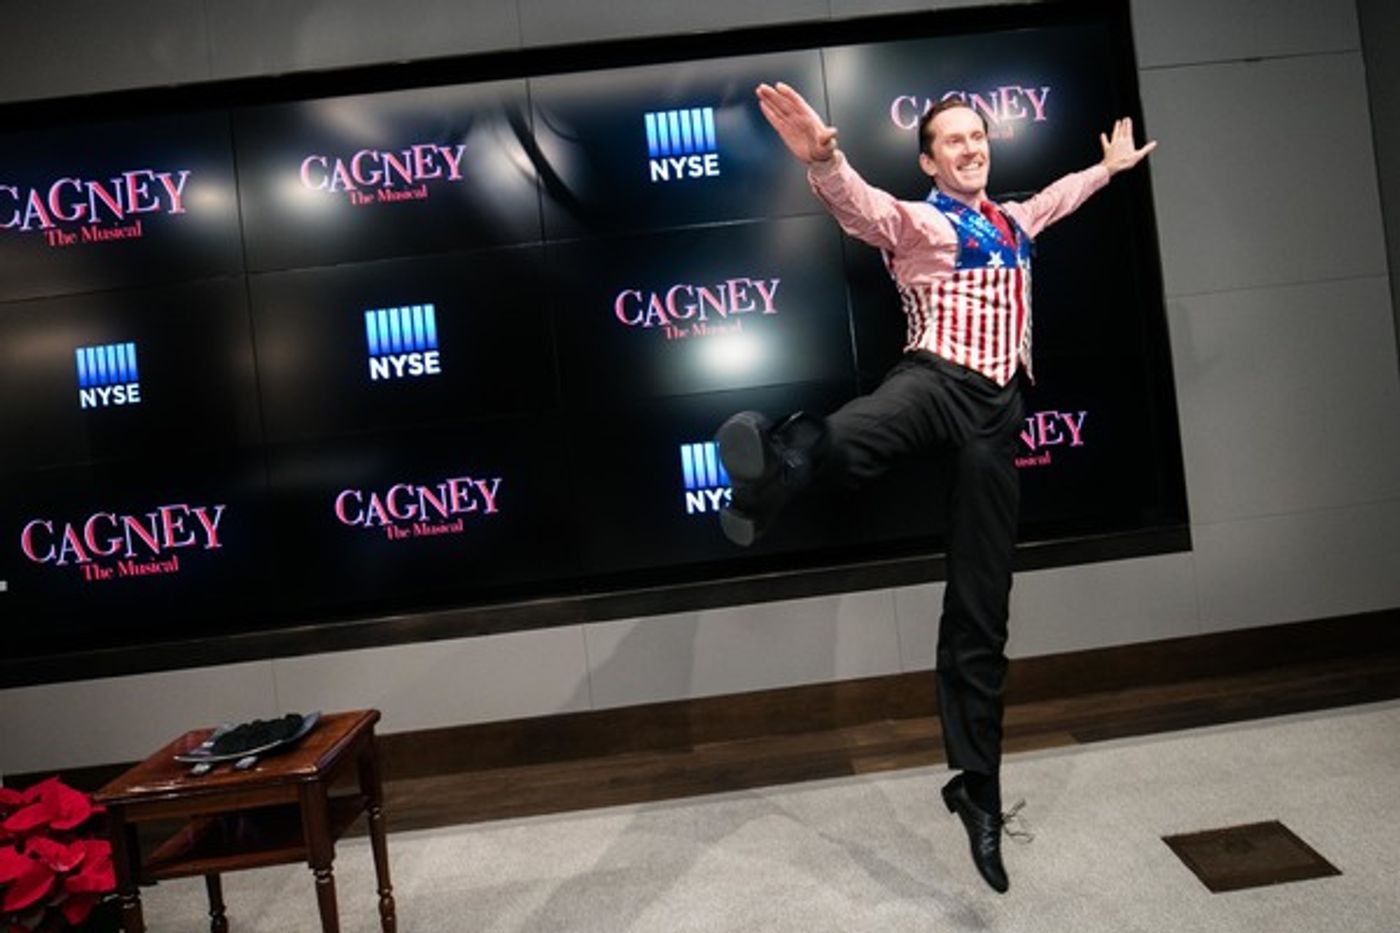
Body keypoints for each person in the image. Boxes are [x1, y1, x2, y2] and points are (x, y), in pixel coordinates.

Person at [716, 81, 1156, 893]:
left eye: (978, 136)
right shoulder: (924, 222)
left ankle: (977, 792)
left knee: (982, 607)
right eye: (952, 140)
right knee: (858, 433)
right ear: (929, 159)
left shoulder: (1015, 220)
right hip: (937, 380)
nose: (970, 147)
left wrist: (1109, 169)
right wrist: (828, 161)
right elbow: (867, 213)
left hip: (997, 415)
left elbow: (1058, 197)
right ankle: (772, 469)